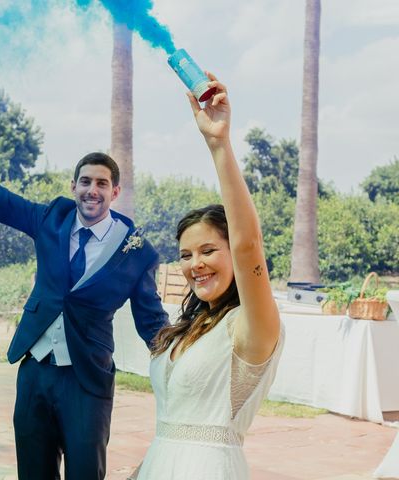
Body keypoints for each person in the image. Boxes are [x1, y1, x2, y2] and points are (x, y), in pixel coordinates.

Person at [0, 117, 169, 480]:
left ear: (115, 191)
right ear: (74, 186)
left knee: (85, 472)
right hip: (34, 371)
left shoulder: (138, 252)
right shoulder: (50, 219)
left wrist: (185, 357)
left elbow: (151, 320)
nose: (91, 190)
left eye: (101, 183)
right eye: (85, 181)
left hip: (86, 377)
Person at [134, 74, 285, 479]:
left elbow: (250, 244)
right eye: (185, 255)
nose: (194, 264)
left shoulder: (252, 326)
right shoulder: (187, 327)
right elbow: (170, 427)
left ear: (233, 254)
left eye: (208, 250)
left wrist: (218, 142)